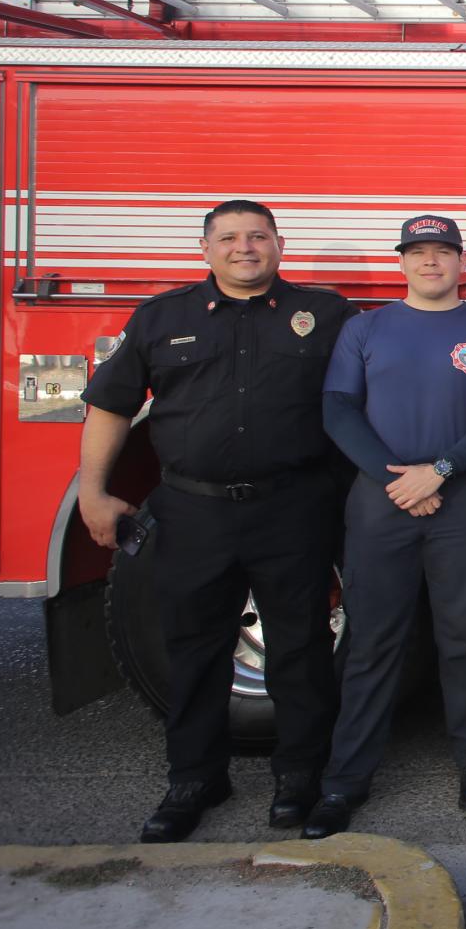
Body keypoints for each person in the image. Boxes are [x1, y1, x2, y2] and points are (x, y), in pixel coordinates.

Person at [78, 199, 357, 842]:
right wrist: (92, 490)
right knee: (195, 647)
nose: (244, 248)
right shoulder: (160, 318)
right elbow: (111, 405)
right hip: (193, 509)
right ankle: (195, 778)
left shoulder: (326, 315)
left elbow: (397, 347)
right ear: (205, 250)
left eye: (258, 236)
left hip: (292, 506)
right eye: (229, 237)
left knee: (301, 648)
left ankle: (298, 777)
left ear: (279, 246)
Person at [300, 215, 466, 838]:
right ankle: (345, 781)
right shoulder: (365, 329)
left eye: (442, 252)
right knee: (371, 641)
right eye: (417, 253)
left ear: (461, 263)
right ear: (401, 263)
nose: (429, 263)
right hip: (380, 502)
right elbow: (338, 408)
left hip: (465, 499)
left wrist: (440, 471)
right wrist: (398, 478)